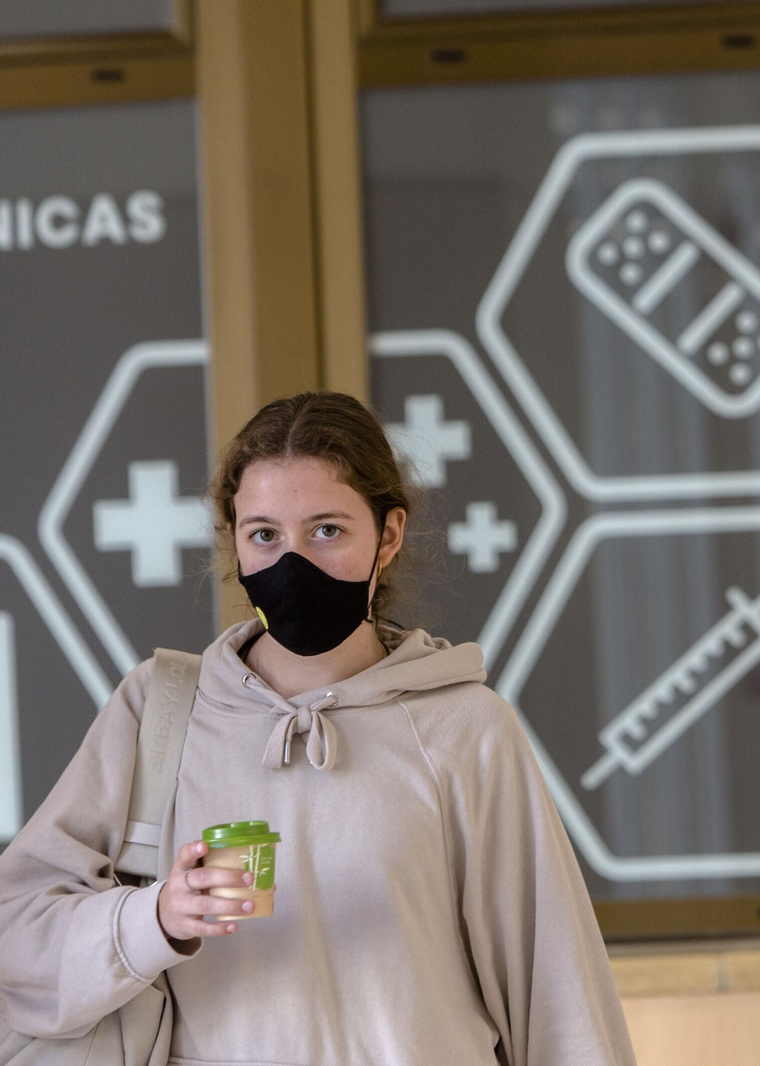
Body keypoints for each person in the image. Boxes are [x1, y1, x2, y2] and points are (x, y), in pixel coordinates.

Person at [0, 392, 636, 1066]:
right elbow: (17, 933)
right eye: (265, 535)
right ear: (234, 539)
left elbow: (556, 993)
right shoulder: (158, 712)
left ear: (388, 537)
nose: (292, 563)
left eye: (327, 530)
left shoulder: (466, 728)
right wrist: (155, 917)